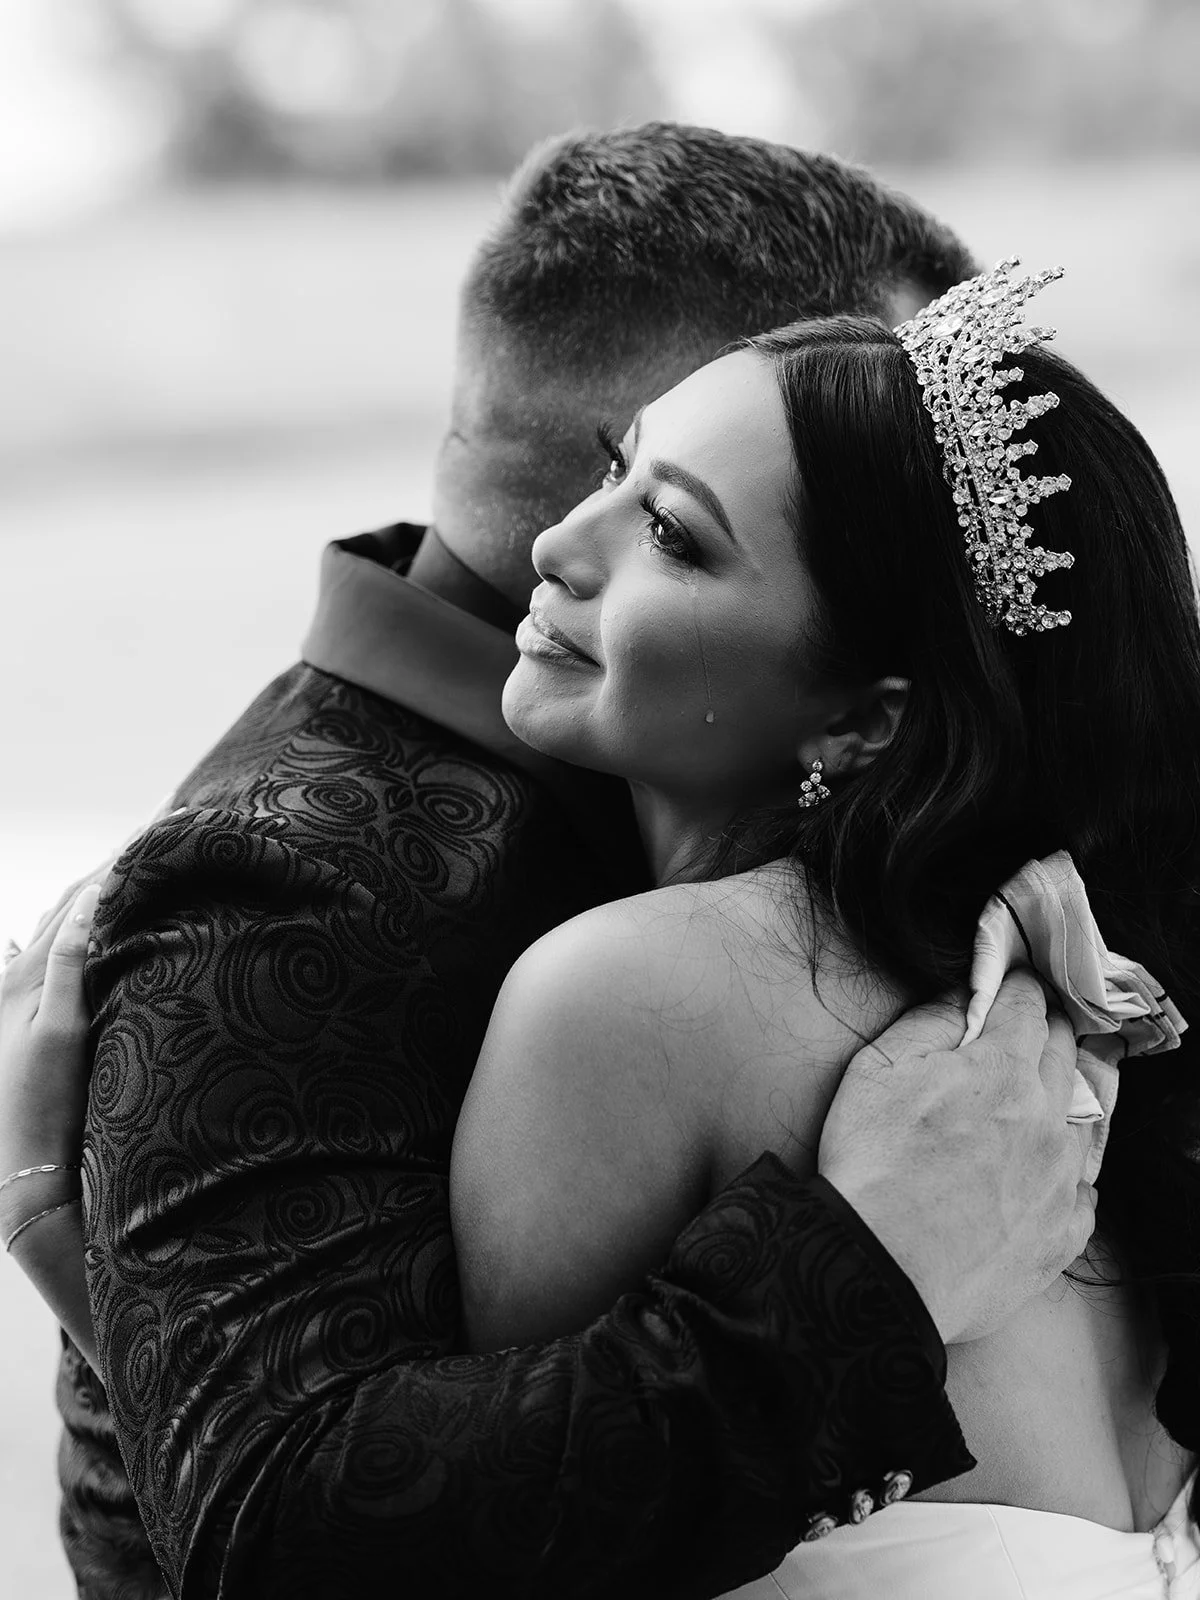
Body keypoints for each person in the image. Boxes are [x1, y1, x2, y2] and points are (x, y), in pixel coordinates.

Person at [0, 131, 1093, 1600]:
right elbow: (284, 1532)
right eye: (882, 422)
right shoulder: (277, 880)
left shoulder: (765, 810)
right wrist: (864, 1274)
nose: (951, 535)